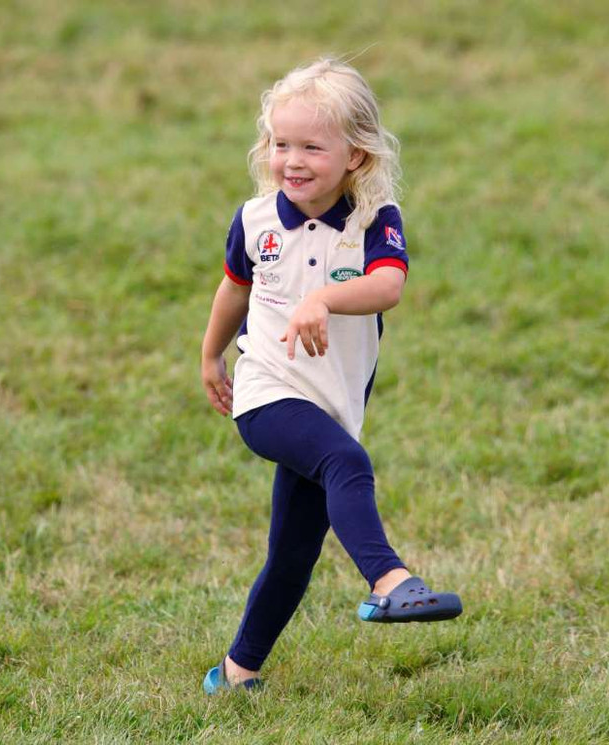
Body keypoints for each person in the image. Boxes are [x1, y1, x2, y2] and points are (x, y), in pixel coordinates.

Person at [199, 57, 462, 694]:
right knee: (347, 463)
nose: (291, 159)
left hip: (332, 403)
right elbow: (233, 290)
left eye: (312, 146)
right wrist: (210, 355)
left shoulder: (376, 219)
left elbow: (388, 286)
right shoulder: (256, 220)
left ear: (356, 155)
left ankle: (234, 675)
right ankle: (390, 582)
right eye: (279, 144)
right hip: (266, 394)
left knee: (291, 558)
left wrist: (322, 299)